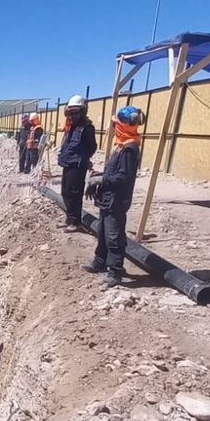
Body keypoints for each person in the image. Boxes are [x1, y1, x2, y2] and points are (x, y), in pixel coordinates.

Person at [83, 106, 145, 287]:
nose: (114, 128)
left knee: (113, 236)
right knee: (102, 231)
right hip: (108, 199)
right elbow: (113, 172)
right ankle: (99, 262)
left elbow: (122, 177)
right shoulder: (122, 145)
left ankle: (115, 271)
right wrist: (98, 176)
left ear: (124, 126)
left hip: (116, 200)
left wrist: (102, 180)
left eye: (116, 124)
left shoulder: (129, 148)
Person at [57, 95, 97, 230]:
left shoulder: (87, 128)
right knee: (65, 192)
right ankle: (69, 219)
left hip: (78, 165)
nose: (73, 115)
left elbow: (92, 147)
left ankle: (75, 222)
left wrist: (83, 158)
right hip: (68, 163)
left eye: (76, 112)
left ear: (82, 112)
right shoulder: (71, 127)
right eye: (71, 112)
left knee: (75, 193)